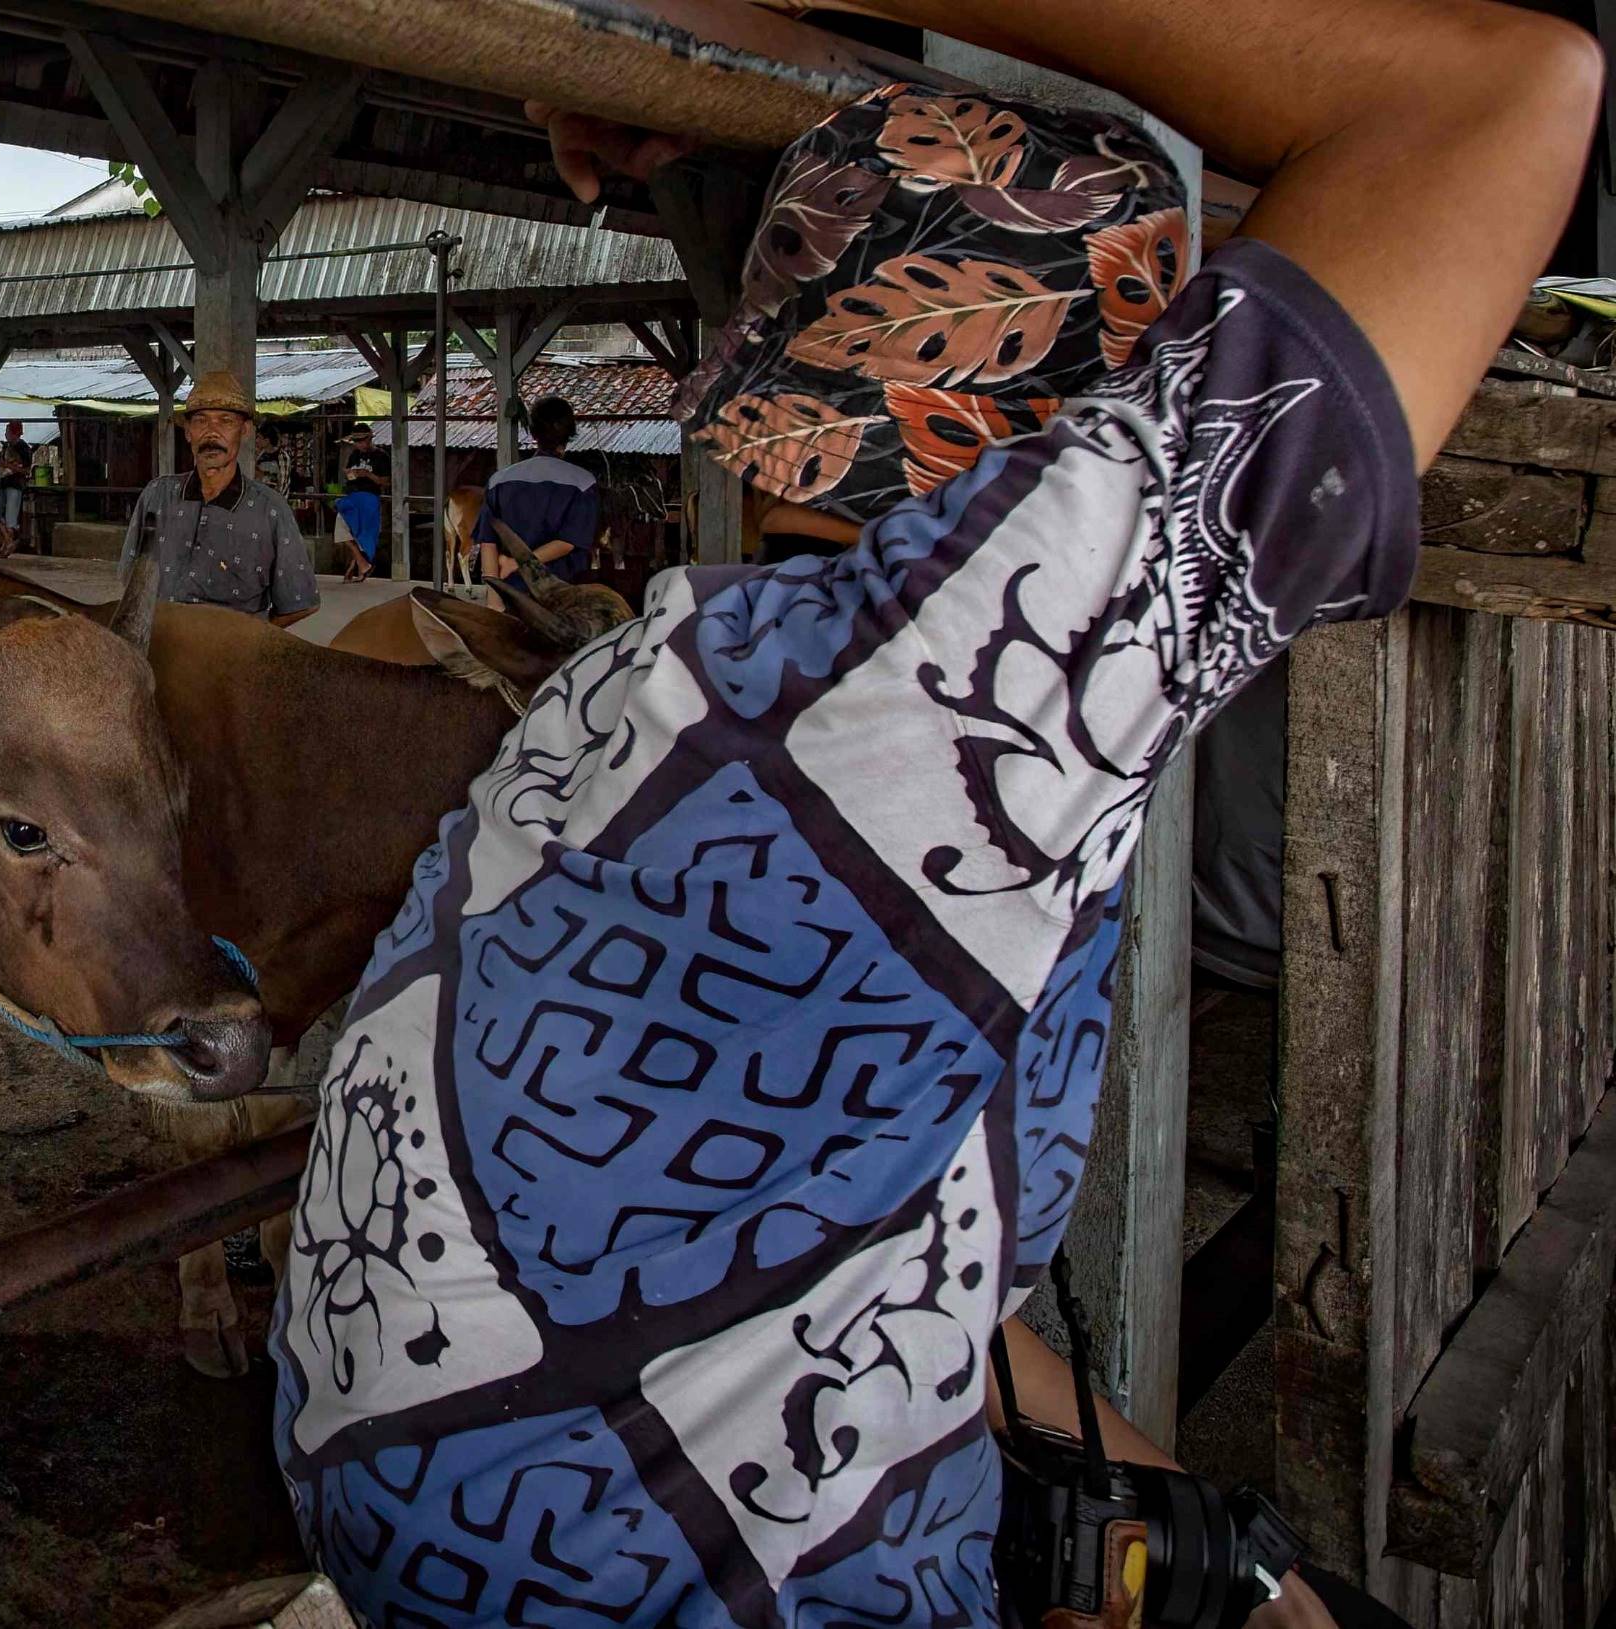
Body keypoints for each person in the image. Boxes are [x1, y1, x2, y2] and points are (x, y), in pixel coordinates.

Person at [267, 4, 1601, 1627]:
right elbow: (1509, 91)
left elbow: (893, 1275)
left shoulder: (639, 684)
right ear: (1076, 455)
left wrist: (1212, 1553)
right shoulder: (978, 693)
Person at [116, 370, 318, 627]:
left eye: (225, 421)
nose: (212, 433)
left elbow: (300, 602)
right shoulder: (157, 495)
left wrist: (248, 640)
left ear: (244, 431)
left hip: (232, 658)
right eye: (201, 421)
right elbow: (130, 579)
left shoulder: (270, 510)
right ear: (188, 432)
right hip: (161, 645)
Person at [473, 393, 597, 592]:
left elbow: (488, 542)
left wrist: (494, 598)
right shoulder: (583, 483)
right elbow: (567, 543)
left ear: (533, 433)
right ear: (569, 434)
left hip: (512, 595)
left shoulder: (499, 480)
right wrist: (519, 563)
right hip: (562, 597)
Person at [333, 421, 384, 583]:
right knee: (342, 530)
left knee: (362, 535)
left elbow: (386, 481)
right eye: (356, 441)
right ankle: (361, 564)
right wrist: (350, 473)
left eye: (362, 440)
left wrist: (368, 475)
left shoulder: (381, 456)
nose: (359, 444)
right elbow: (347, 472)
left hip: (369, 498)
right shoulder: (354, 455)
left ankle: (359, 566)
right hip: (352, 496)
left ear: (369, 439)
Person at [0, 417, 31, 557]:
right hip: (4, 484)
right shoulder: (7, 447)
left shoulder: (24, 448)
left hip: (15, 485)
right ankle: (8, 540)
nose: (5, 434)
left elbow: (27, 470)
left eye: (7, 431)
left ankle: (5, 547)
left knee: (11, 519)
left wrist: (7, 466)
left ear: (14, 432)